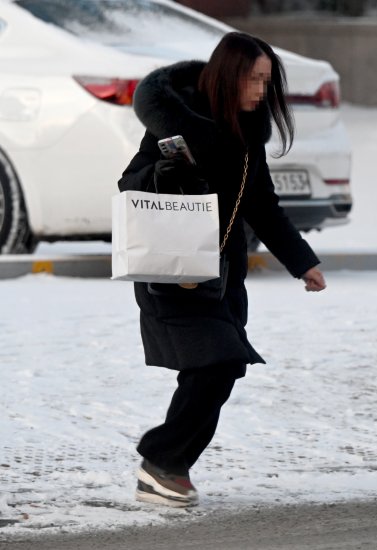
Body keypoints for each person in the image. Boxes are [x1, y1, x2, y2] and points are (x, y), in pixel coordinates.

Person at [118, 31, 326, 508]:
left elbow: (263, 207)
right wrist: (162, 174)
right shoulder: (175, 125)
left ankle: (167, 467)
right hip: (172, 272)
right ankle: (161, 463)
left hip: (222, 276)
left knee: (223, 368)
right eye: (253, 80)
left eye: (266, 82)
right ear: (229, 75)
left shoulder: (247, 135)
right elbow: (130, 182)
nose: (261, 91)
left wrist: (302, 262)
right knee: (214, 364)